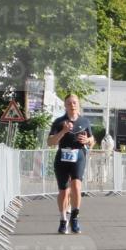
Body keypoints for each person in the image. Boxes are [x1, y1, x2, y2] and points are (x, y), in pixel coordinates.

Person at [47, 94, 94, 234]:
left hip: (78, 156)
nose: (72, 105)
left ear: (78, 104)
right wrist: (64, 131)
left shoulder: (85, 121)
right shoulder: (59, 121)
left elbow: (92, 140)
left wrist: (87, 141)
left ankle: (74, 218)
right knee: (63, 191)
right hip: (62, 158)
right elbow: (50, 142)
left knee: (76, 187)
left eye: (74, 102)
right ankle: (63, 220)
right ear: (65, 106)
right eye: (69, 103)